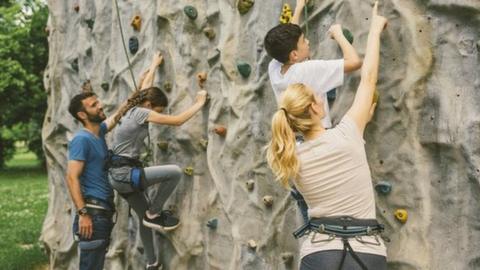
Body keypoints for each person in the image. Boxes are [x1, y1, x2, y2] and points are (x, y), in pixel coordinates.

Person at [266, 2, 388, 269]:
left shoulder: (289, 158)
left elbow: (283, 46)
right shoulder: (347, 134)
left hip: (318, 252)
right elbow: (367, 76)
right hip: (366, 250)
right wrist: (375, 30)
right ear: (315, 107)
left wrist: (296, 10)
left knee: (307, 204)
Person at [105, 52, 208, 269]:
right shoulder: (142, 112)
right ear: (149, 104)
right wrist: (199, 103)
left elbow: (146, 87)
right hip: (125, 174)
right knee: (174, 172)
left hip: (116, 176)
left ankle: (152, 264)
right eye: (157, 111)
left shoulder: (131, 107)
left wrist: (153, 65)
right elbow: (178, 121)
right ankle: (155, 211)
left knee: (144, 220)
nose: (156, 116)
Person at [66, 90, 125, 270]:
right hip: (93, 215)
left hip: (103, 213)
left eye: (97, 102)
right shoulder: (81, 140)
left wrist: (144, 79)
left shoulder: (98, 132)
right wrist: (83, 214)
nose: (100, 106)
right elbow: (71, 177)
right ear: (82, 115)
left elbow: (117, 116)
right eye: (94, 105)